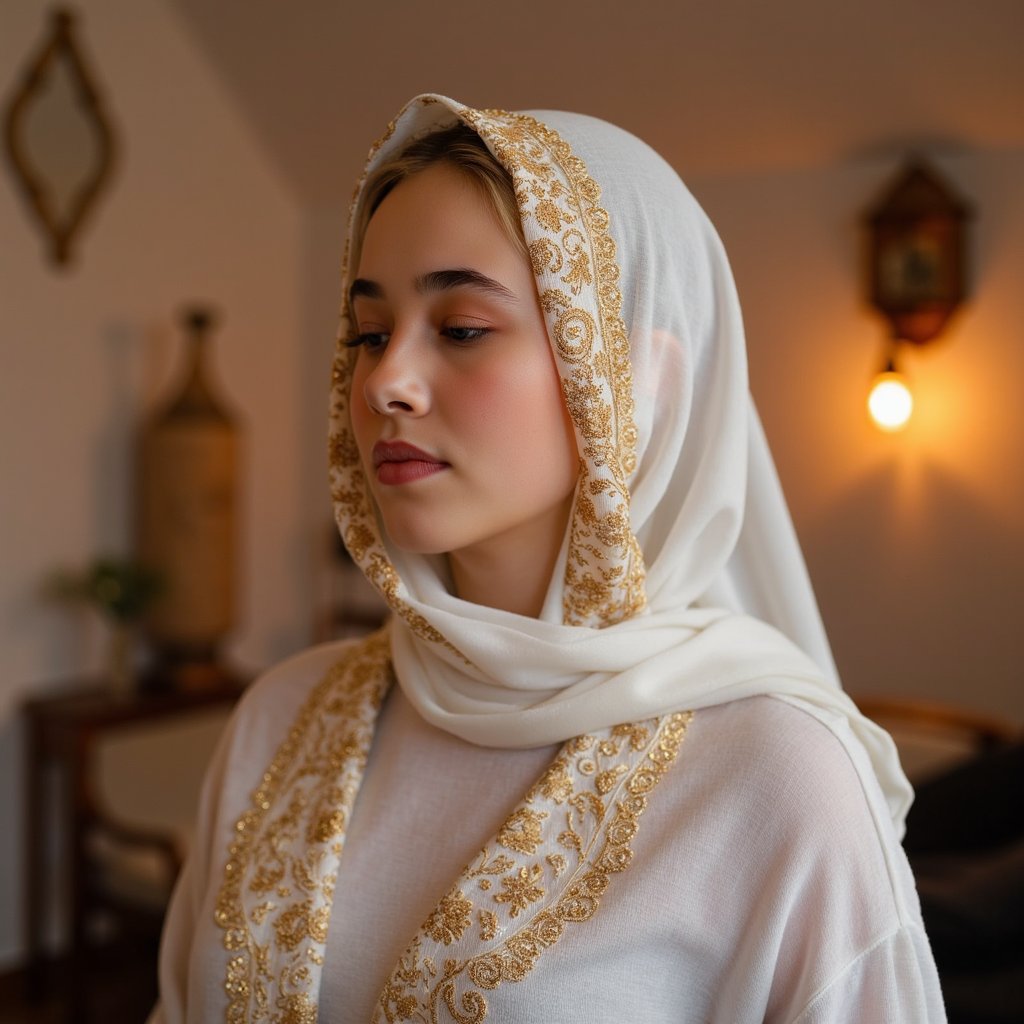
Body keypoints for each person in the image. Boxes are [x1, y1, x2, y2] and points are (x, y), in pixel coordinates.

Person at [149, 94, 946, 1023]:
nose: (385, 383)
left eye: (461, 328)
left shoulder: (775, 778)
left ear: (639, 382)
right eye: (369, 334)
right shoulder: (280, 719)